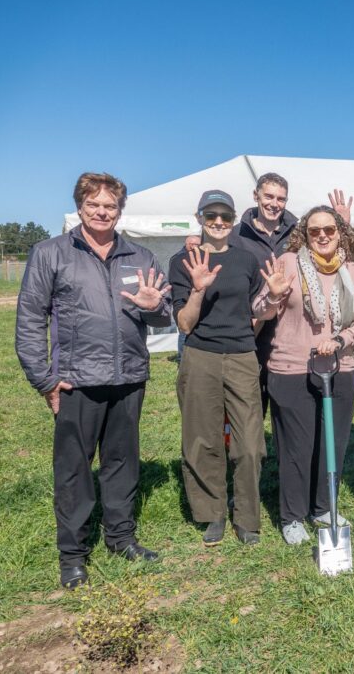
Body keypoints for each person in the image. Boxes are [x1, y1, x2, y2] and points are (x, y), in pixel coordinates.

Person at [16, 172, 171, 589]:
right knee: (73, 471)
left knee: (122, 465)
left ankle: (121, 537)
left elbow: (164, 314)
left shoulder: (139, 256)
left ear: (121, 210)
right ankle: (73, 555)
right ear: (80, 206)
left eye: (111, 206)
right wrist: (44, 379)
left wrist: (156, 307)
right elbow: (30, 318)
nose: (102, 212)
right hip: (76, 383)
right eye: (94, 204)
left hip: (129, 378)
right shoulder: (51, 253)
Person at [251, 206, 354, 545]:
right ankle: (292, 516)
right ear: (304, 233)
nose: (322, 236)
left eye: (329, 229)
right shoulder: (288, 264)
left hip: (339, 367)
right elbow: (259, 309)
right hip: (291, 368)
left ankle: (322, 506)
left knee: (333, 443)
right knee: (296, 448)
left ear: (340, 232)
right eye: (314, 230)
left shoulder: (351, 270)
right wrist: (272, 294)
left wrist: (339, 340)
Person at [170, 190, 267, 547]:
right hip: (201, 356)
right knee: (203, 439)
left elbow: (261, 309)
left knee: (250, 444)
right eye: (211, 216)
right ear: (199, 218)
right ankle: (213, 514)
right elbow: (183, 323)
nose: (219, 223)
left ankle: (247, 517)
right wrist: (197, 289)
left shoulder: (246, 260)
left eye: (225, 216)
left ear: (233, 219)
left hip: (242, 355)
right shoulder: (184, 260)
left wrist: (268, 302)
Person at [228, 173, 299, 411]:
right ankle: (249, 449)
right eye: (269, 196)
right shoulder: (235, 235)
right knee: (249, 405)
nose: (274, 203)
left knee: (286, 404)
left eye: (281, 199)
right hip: (249, 330)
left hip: (288, 330)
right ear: (255, 195)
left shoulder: (298, 235)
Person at [175, 234, 201, 363]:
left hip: (198, 298)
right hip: (185, 298)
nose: (195, 246)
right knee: (184, 330)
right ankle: (182, 358)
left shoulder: (202, 257)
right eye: (192, 244)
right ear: (187, 244)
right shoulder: (179, 259)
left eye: (197, 244)